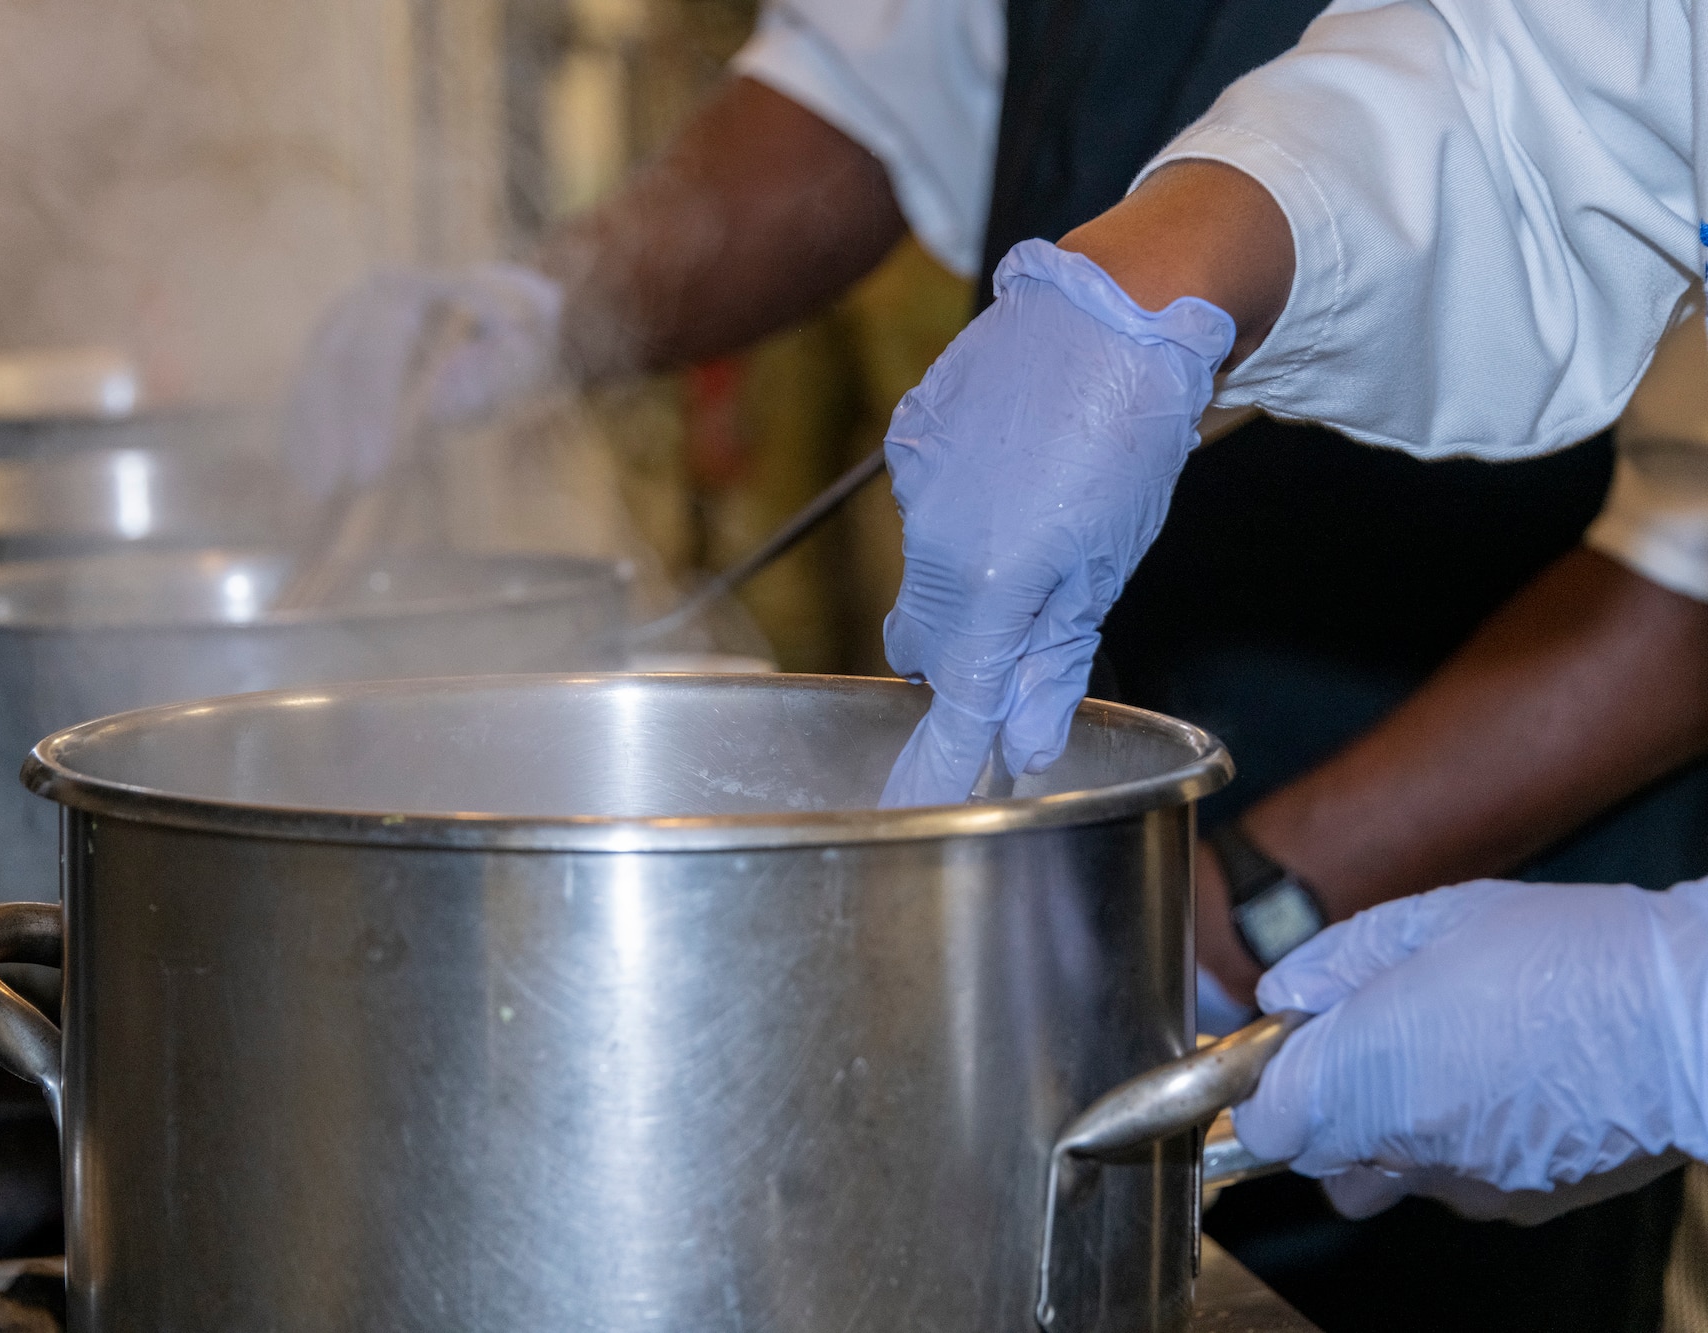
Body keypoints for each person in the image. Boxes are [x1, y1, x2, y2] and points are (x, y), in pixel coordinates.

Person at [292, 0, 1708, 1325]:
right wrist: (1148, 283)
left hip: (1468, 870)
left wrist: (1639, 1009)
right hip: (1109, 757)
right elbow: (1544, 91)